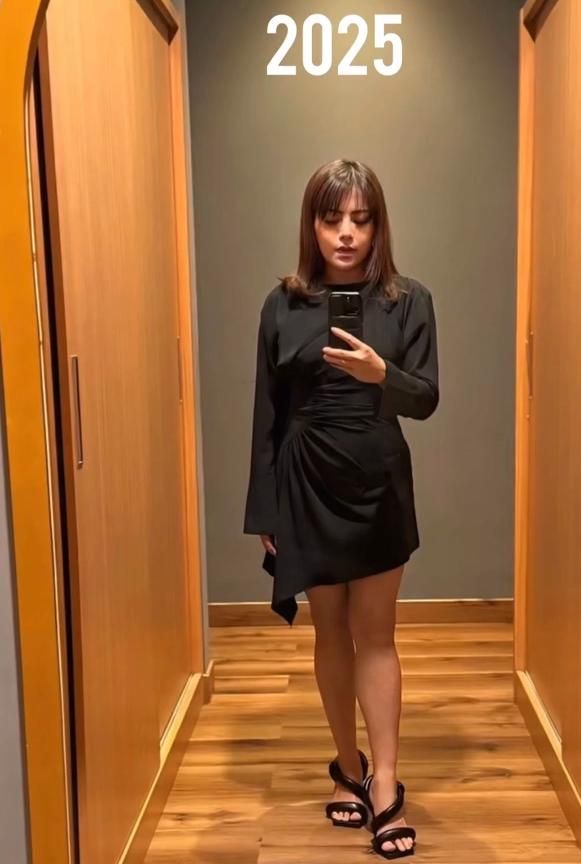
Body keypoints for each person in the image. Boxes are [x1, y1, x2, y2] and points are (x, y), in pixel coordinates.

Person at [243, 158, 439, 859]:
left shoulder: (408, 300)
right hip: (304, 482)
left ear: (379, 225)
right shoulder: (282, 304)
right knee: (329, 630)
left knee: (377, 634)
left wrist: (382, 375)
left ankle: (384, 783)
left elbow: (426, 398)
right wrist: (264, 509)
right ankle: (347, 767)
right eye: (332, 219)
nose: (347, 234)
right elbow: (266, 413)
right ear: (313, 226)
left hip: (378, 479)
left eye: (361, 218)